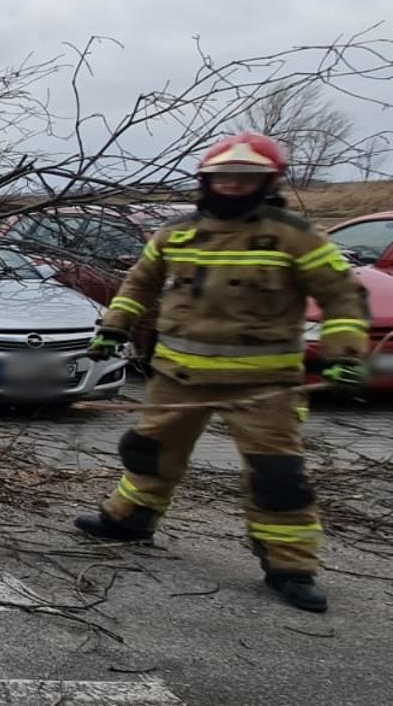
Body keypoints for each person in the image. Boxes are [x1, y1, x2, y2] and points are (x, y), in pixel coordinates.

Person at [80, 131, 370, 613]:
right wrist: (114, 327)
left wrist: (345, 354)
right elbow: (138, 284)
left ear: (269, 182)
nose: (233, 184)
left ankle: (291, 566)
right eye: (224, 176)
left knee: (277, 475)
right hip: (178, 377)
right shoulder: (177, 233)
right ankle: (128, 519)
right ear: (206, 180)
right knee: (149, 452)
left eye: (245, 177)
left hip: (263, 386)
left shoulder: (295, 236)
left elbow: (343, 296)